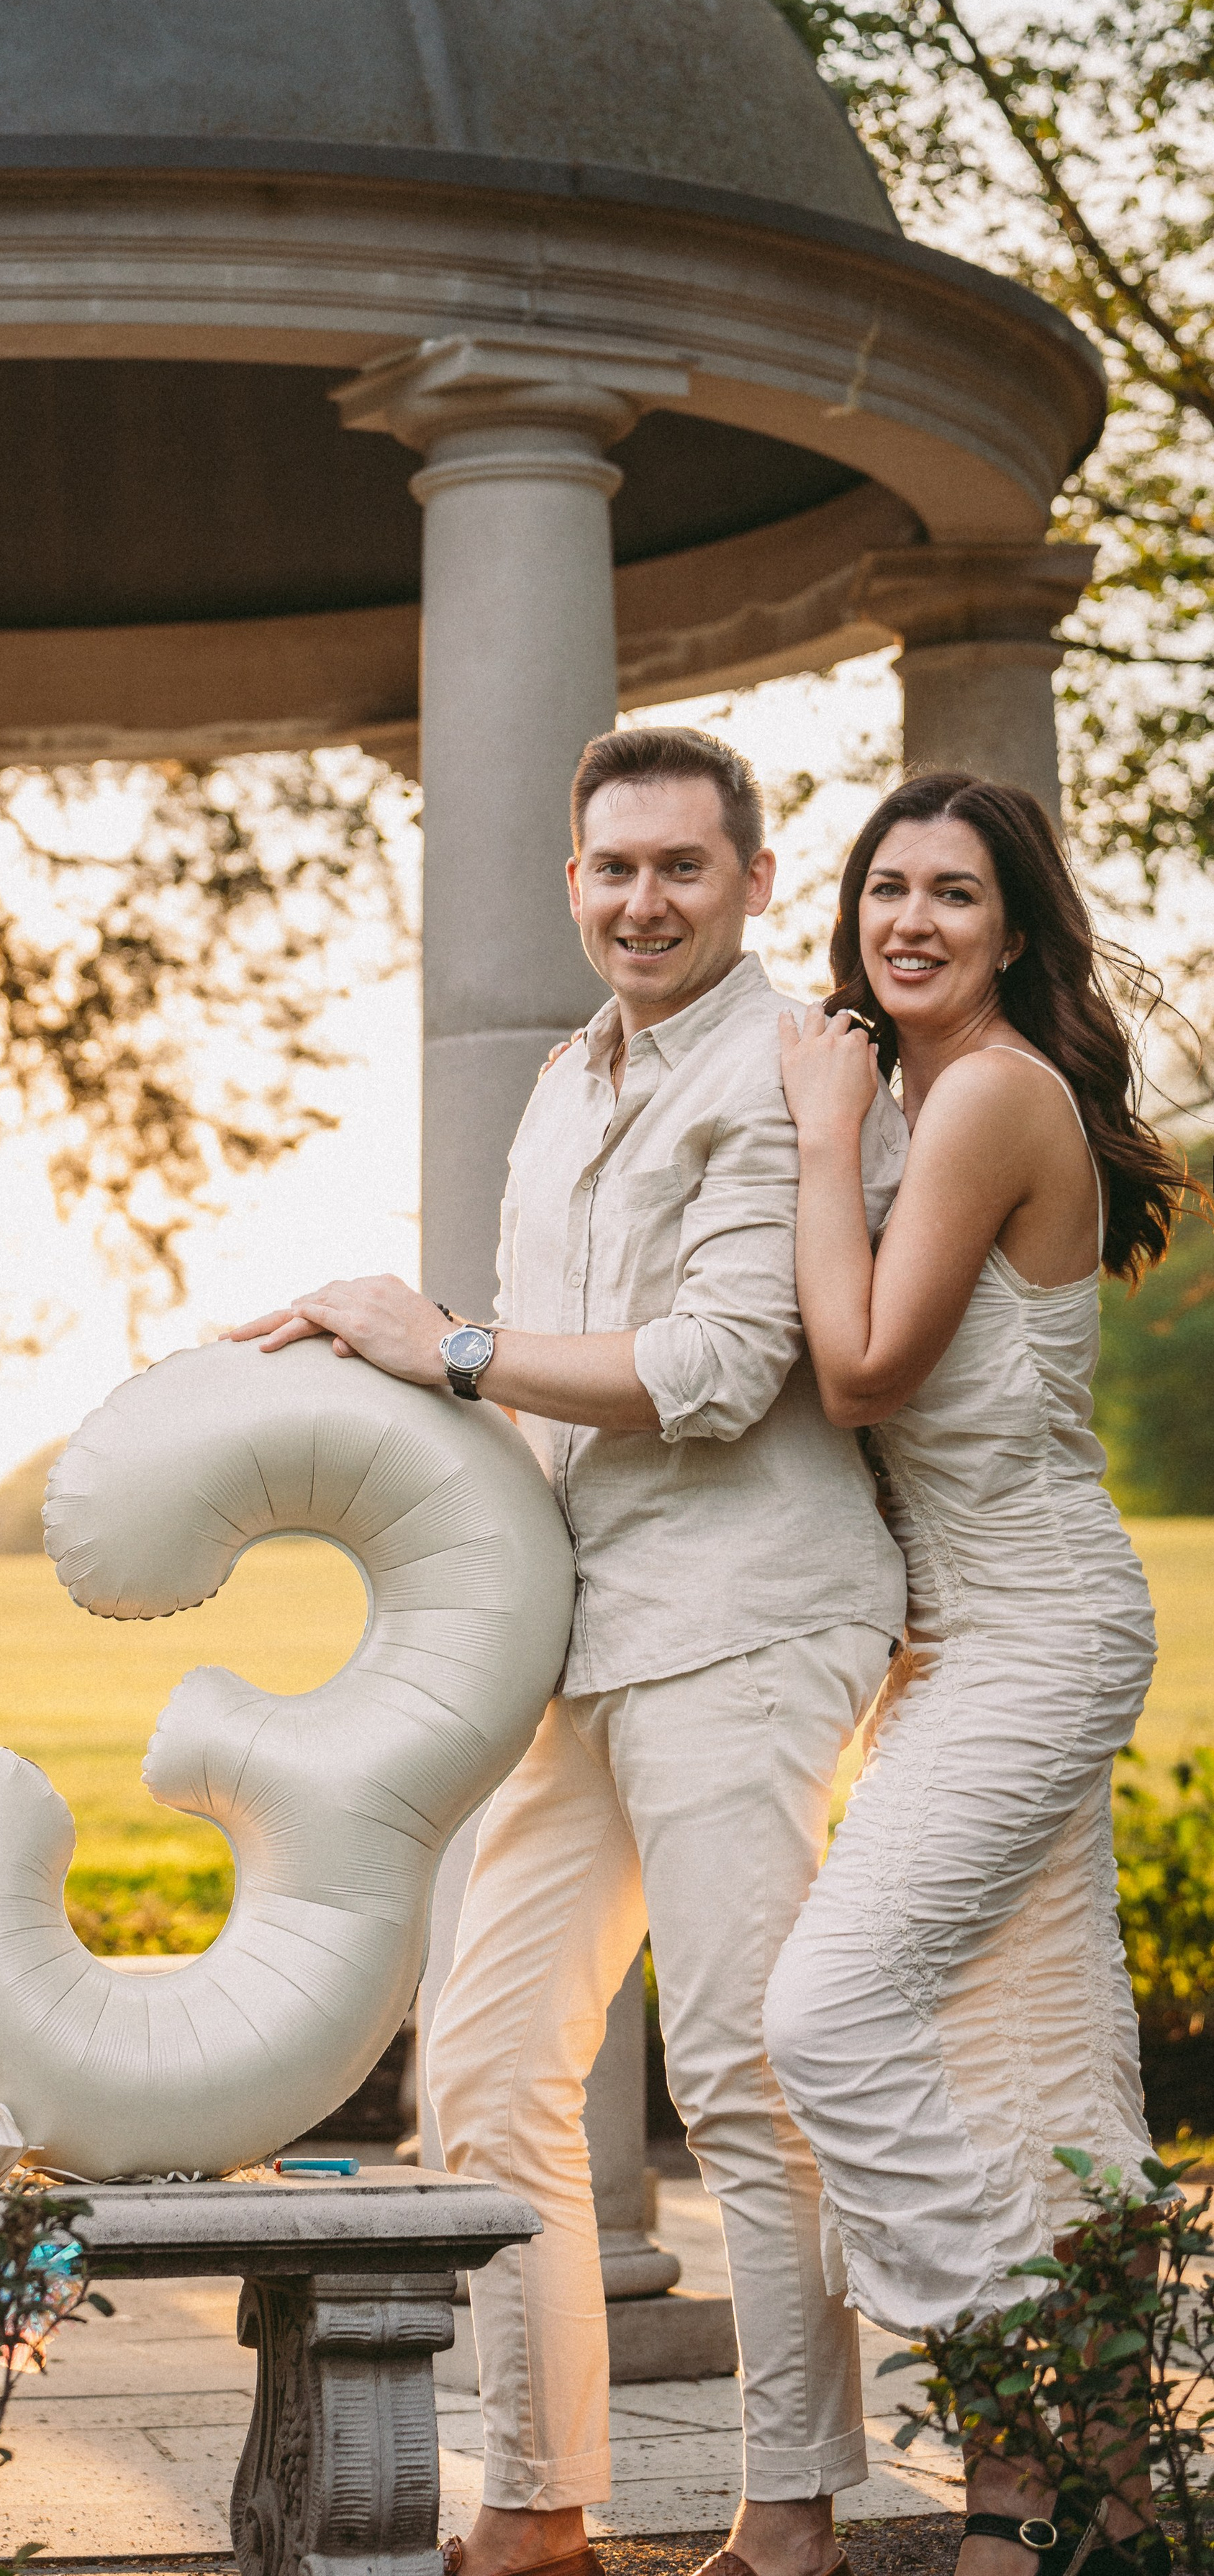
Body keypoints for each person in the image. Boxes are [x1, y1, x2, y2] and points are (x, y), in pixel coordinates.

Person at [230, 724, 910, 2576]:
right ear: (569, 883)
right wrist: (369, 1355)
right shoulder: (560, 1078)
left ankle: (791, 2512)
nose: (642, 900)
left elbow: (720, 1370)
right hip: (578, 1633)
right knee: (482, 2062)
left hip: (747, 1622)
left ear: (753, 880)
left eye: (681, 866)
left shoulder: (791, 1070)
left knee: (740, 2075)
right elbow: (535, 1365)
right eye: (612, 867)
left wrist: (445, 1343)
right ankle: (538, 2508)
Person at [763, 771, 1180, 2576]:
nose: (909, 920)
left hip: (1036, 1629)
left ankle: (1018, 2422)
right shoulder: (922, 1101)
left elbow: (859, 1369)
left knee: (828, 2015)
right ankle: (1099, 2497)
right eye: (884, 889)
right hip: (966, 1641)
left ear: (1012, 931)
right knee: (1031, 2066)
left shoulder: (988, 1096)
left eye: (950, 892)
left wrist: (814, 1134)